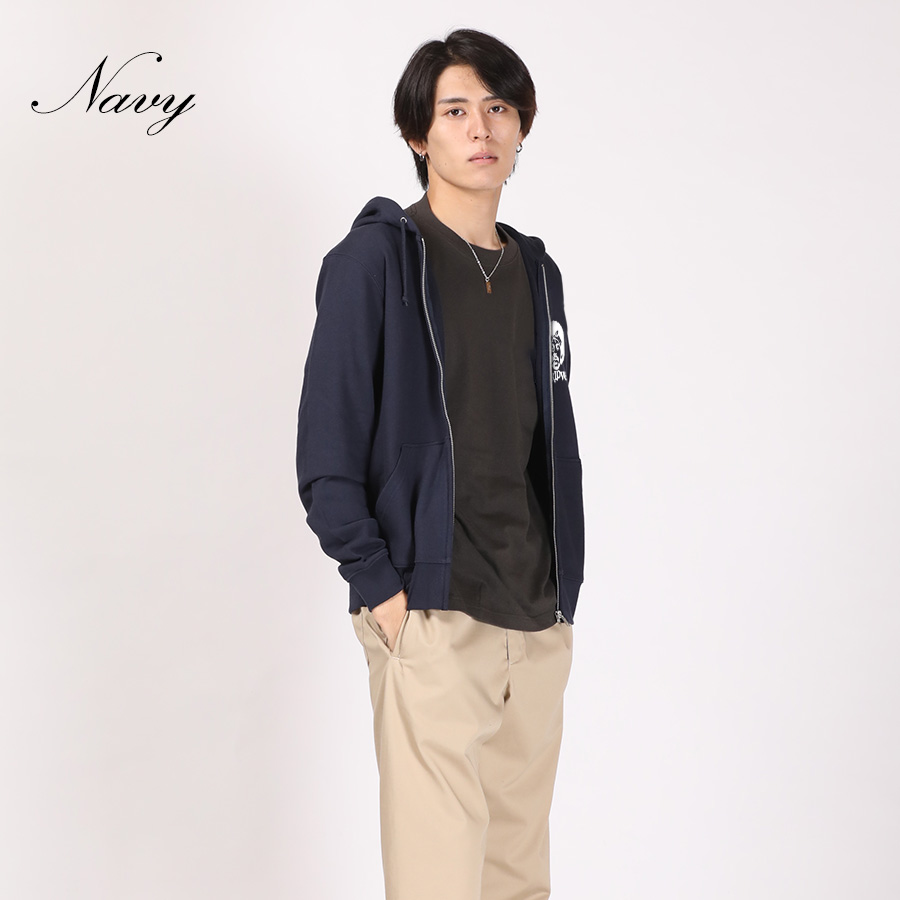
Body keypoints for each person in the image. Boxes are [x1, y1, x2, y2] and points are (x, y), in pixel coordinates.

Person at [296, 28, 584, 900]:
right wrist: (384, 592)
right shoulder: (374, 261)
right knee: (438, 883)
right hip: (430, 614)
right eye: (455, 110)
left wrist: (563, 595)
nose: (480, 128)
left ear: (522, 124)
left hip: (534, 619)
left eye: (498, 107)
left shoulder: (537, 272)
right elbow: (325, 455)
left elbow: (547, 439)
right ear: (419, 134)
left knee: (518, 879)